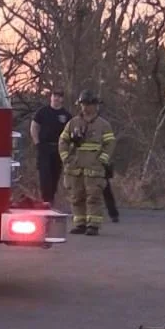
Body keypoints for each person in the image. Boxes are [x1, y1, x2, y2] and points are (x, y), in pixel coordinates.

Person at [59, 89, 116, 235]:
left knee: (94, 197)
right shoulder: (73, 123)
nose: (86, 107)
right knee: (76, 197)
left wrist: (102, 159)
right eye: (83, 104)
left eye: (89, 104)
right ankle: (80, 223)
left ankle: (93, 225)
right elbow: (63, 141)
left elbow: (110, 144)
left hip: (94, 168)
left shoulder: (103, 125)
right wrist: (66, 158)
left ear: (95, 106)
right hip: (75, 168)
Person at [30, 89, 71, 207]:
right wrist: (37, 143)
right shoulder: (42, 112)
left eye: (59, 96)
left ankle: (51, 200)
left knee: (55, 174)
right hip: (44, 147)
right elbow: (34, 127)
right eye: (54, 96)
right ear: (51, 97)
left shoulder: (66, 115)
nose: (56, 98)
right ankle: (45, 200)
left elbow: (70, 132)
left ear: (62, 99)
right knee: (45, 175)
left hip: (59, 148)